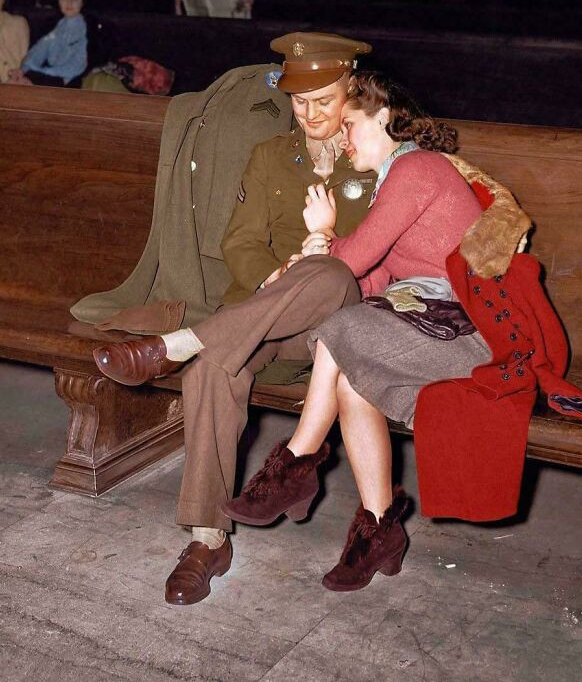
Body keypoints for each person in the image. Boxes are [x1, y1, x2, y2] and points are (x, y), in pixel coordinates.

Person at [91, 35, 530, 606]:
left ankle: (177, 346)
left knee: (326, 273)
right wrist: (277, 275)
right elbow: (240, 242)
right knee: (213, 368)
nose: (312, 115)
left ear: (354, 93)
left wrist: (317, 252)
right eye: (300, 102)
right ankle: (205, 538)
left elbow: (380, 261)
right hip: (265, 315)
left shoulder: (380, 159)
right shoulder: (270, 156)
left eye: (325, 101)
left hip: (347, 313)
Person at [222, 71, 582, 592]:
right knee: (352, 379)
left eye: (349, 124)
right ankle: (378, 531)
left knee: (341, 330)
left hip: (471, 334)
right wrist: (317, 258)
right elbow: (372, 277)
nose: (343, 138)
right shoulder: (392, 182)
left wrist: (325, 235)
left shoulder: (417, 168)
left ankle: (297, 462)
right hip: (427, 326)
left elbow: (355, 260)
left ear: (382, 117)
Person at [8, 0, 88, 87]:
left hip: (70, 81)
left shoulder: (87, 28)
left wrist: (42, 72)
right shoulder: (59, 24)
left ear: (82, 2)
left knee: (19, 86)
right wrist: (23, 70)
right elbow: (40, 49)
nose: (69, 3)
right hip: (51, 76)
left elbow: (77, 66)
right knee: (13, 82)